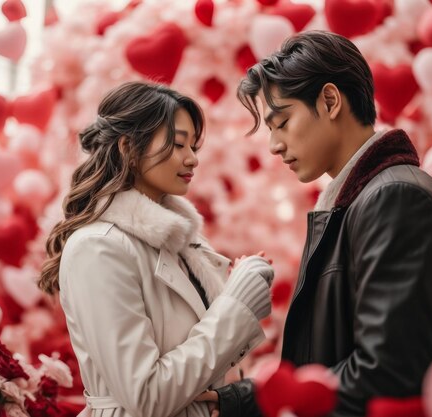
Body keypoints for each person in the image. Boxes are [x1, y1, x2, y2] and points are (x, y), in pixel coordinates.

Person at [197, 31, 432, 417]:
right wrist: (243, 400)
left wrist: (272, 402)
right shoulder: (365, 199)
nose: (274, 145)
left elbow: (391, 374)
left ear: (329, 101)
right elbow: (333, 359)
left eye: (282, 122)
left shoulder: (396, 200)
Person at [38, 82, 274, 417]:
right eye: (178, 144)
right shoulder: (99, 248)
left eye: (193, 145)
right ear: (128, 148)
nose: (192, 158)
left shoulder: (183, 241)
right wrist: (236, 307)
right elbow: (146, 396)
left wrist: (235, 288)